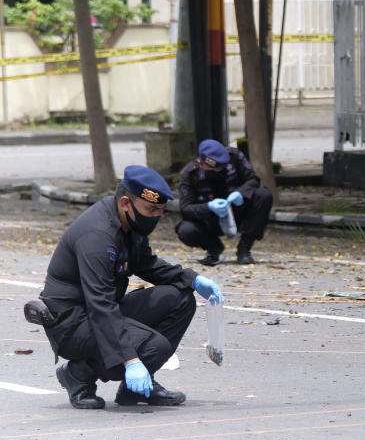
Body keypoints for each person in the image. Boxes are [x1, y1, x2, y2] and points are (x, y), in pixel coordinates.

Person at [22, 165, 223, 409]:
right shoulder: (98, 235)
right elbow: (101, 304)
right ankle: (79, 374)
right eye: (151, 209)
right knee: (153, 347)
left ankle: (135, 389)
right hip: (72, 323)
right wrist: (131, 360)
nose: (157, 216)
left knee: (180, 297)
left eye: (160, 210)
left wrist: (191, 279)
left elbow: (146, 264)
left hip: (100, 310)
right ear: (126, 203)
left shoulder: (130, 222)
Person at [176, 139, 273, 265]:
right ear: (201, 163)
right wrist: (209, 207)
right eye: (213, 170)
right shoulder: (189, 174)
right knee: (186, 230)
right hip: (211, 219)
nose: (219, 171)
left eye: (222, 168)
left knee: (263, 195)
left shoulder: (235, 156)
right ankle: (214, 248)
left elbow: (253, 179)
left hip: (238, 211)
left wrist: (241, 193)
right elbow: (185, 208)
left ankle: (244, 249)